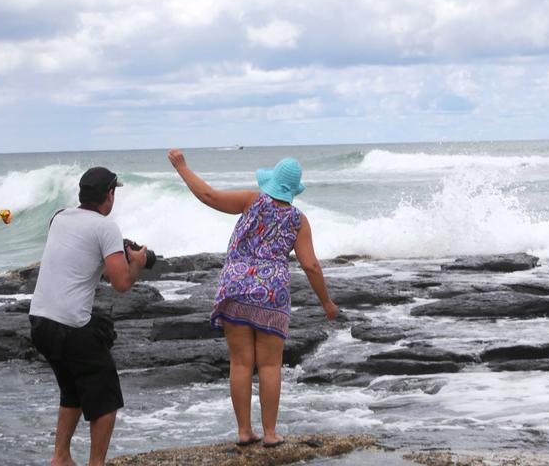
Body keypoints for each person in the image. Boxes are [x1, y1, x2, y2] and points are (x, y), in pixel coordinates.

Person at [168, 149, 339, 448]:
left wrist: (182, 167)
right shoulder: (298, 220)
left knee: (241, 363)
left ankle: (245, 431)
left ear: (271, 182)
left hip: (235, 287)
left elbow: (208, 196)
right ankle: (270, 434)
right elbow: (310, 265)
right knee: (271, 365)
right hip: (272, 292)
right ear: (293, 190)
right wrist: (326, 303)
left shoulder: (251, 201)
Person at [29, 167, 147, 466]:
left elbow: (80, 252)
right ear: (109, 194)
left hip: (40, 321)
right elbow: (120, 283)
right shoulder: (105, 227)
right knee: (106, 396)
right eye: (114, 192)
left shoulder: (59, 216)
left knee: (73, 388)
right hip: (70, 325)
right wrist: (138, 263)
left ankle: (60, 457)